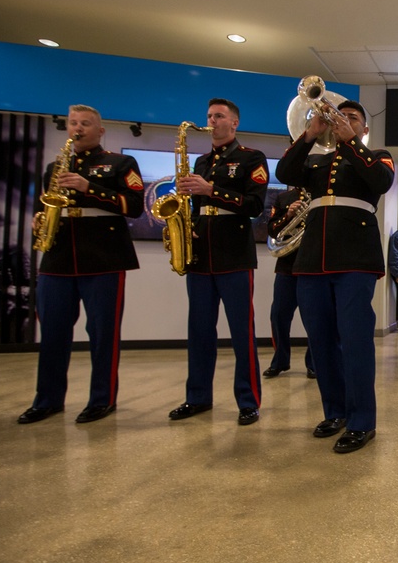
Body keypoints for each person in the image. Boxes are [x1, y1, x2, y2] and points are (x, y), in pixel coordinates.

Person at [276, 100, 394, 454]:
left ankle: (362, 422)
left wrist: (350, 141)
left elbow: (381, 180)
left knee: (356, 340)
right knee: (321, 341)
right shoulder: (314, 158)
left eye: (352, 118)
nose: (341, 121)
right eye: (337, 117)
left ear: (365, 129)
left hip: (355, 257)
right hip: (312, 259)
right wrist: (311, 131)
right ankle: (335, 411)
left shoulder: (377, 154)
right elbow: (284, 172)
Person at [18, 104, 144, 424]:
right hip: (57, 258)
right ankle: (47, 400)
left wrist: (90, 188)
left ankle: (102, 399)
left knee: (102, 334)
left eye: (85, 123)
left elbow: (134, 206)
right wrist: (39, 218)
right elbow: (47, 203)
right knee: (53, 334)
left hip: (103, 257)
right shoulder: (54, 168)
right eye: (73, 123)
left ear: (100, 130)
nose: (78, 128)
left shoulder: (121, 163)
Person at [168, 98, 268, 426]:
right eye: (210, 115)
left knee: (242, 332)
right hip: (200, 256)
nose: (212, 121)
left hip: (234, 254)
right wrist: (187, 227)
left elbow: (254, 205)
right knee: (198, 331)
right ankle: (197, 397)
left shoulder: (251, 158)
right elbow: (196, 207)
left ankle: (248, 401)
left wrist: (212, 189)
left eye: (220, 116)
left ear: (234, 123)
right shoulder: (200, 162)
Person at [264, 187, 315, 379]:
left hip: (311, 265)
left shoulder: (320, 194)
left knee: (313, 319)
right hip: (287, 266)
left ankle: (314, 363)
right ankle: (280, 361)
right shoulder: (284, 198)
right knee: (278, 316)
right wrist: (289, 214)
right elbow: (272, 229)